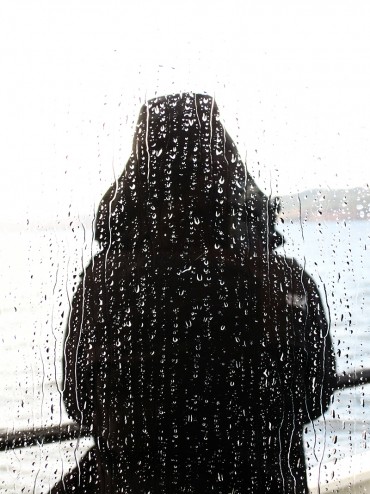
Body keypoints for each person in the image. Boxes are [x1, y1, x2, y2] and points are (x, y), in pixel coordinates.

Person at [51, 93, 336, 493]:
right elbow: (315, 394)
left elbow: (81, 403)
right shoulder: (281, 278)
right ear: (226, 162)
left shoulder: (105, 280)